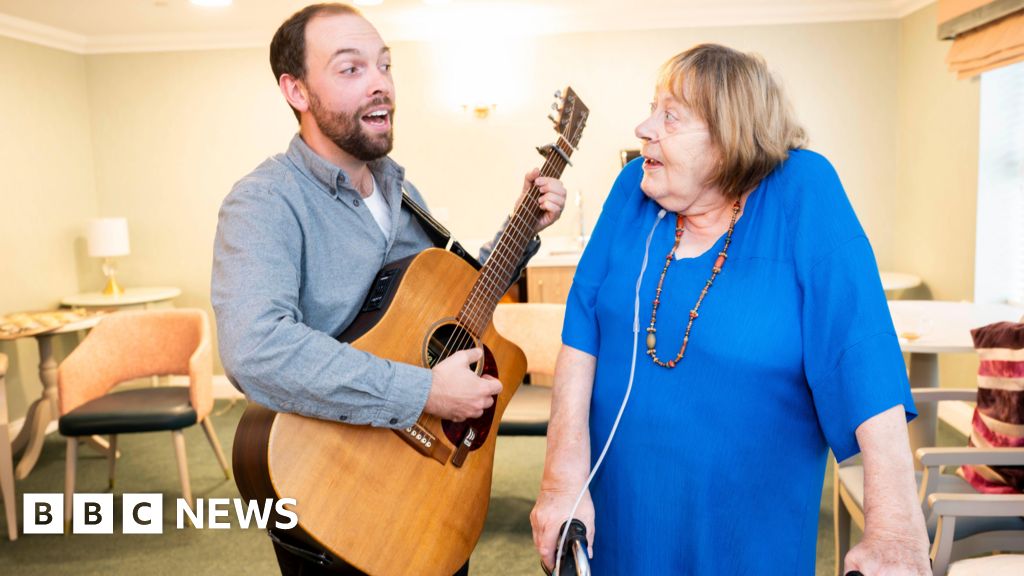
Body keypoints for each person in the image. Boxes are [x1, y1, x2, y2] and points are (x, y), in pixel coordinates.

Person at [530, 44, 930, 575]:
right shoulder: (633, 191)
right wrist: (560, 484)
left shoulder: (803, 189)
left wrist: (894, 525)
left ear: (728, 136)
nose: (643, 128)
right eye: (653, 108)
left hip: (748, 529)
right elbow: (581, 337)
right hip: (619, 514)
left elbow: (861, 352)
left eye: (669, 115)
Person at [211, 3, 566, 575]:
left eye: (385, 66)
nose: (380, 85)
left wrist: (522, 229)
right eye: (351, 70)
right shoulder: (265, 201)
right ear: (296, 90)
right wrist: (423, 392)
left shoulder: (400, 192)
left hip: (427, 486)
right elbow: (256, 348)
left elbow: (448, 301)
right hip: (336, 493)